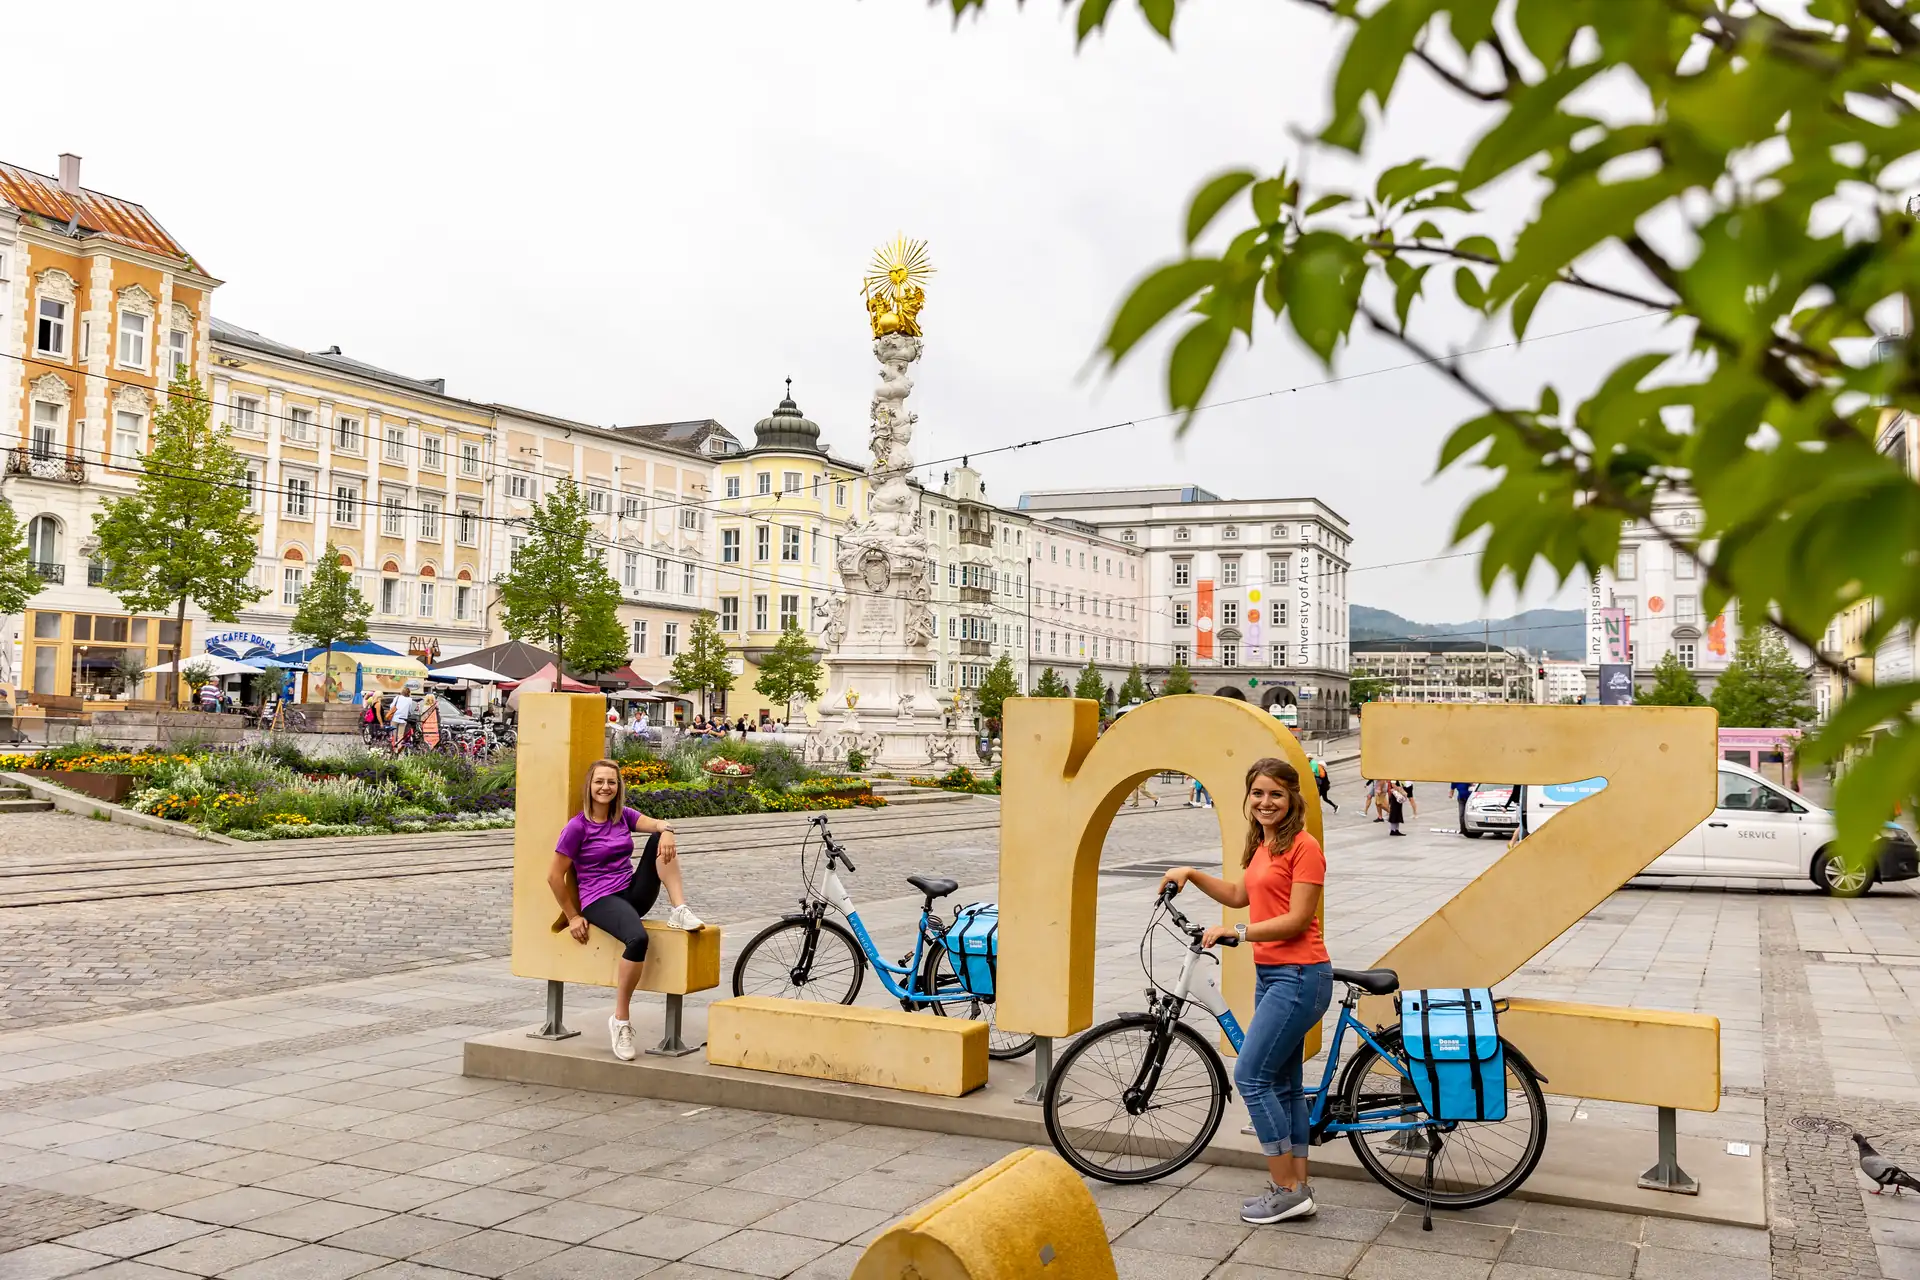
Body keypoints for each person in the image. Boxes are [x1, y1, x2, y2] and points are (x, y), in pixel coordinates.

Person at [1159, 758, 1331, 1225]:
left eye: (1276, 794)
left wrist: (1238, 933)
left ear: (1293, 797)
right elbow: (1239, 893)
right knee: (1285, 1085)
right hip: (1275, 976)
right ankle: (1298, 1188)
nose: (1265, 802)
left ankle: (1285, 1189)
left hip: (1301, 976)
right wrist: (1191, 873)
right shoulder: (1263, 843)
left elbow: (1298, 920)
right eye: (1257, 793)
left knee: (1252, 1077)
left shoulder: (1304, 846)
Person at [549, 760, 706, 1063]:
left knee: (660, 838)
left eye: (611, 782)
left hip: (631, 893)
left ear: (618, 787)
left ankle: (680, 909)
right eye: (599, 782)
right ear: (589, 787)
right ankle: (620, 1020)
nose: (605, 787)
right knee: (637, 939)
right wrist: (573, 915)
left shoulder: (624, 817)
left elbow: (658, 824)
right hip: (599, 900)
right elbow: (554, 876)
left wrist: (668, 830)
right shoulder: (577, 827)